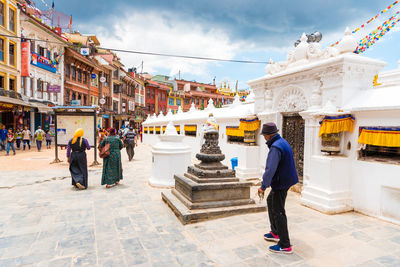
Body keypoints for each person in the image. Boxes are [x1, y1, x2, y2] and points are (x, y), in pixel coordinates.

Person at [258, 122, 298, 254]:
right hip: (285, 179)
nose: (264, 138)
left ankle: (285, 244)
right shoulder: (282, 141)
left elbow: (270, 170)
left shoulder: (275, 147)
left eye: (264, 135)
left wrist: (263, 186)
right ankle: (275, 232)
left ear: (268, 136)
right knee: (271, 201)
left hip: (281, 182)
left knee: (278, 211)